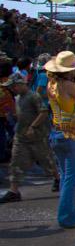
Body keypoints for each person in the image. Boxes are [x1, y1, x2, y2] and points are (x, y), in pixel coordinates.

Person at [45, 51, 75, 229]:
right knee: (71, 178)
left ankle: (71, 211)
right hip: (71, 134)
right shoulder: (67, 85)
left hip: (57, 132)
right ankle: (67, 217)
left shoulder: (52, 83)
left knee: (67, 176)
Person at [0, 73, 58, 203]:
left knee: (47, 160)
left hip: (37, 137)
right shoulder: (18, 98)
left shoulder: (33, 96)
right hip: (21, 137)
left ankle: (58, 178)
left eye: (14, 86)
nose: (12, 89)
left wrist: (33, 127)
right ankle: (13, 191)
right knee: (15, 162)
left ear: (21, 84)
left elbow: (43, 112)